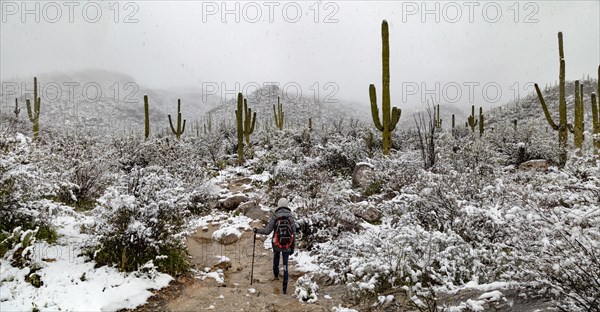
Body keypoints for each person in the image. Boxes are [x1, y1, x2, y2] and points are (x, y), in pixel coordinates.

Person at [253, 197, 298, 294]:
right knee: (285, 264)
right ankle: (285, 288)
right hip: (287, 244)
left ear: (278, 205)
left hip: (276, 243)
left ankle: (276, 275)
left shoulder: (275, 216)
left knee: (276, 257)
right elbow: (294, 233)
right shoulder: (290, 216)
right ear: (286, 205)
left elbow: (267, 231)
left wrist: (257, 230)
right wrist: (292, 247)